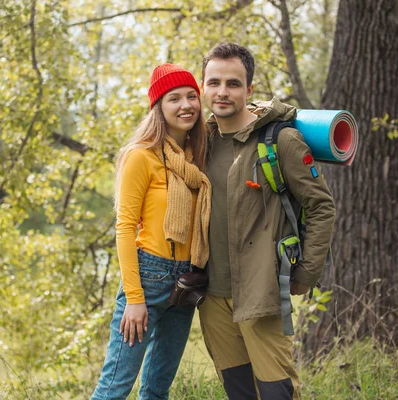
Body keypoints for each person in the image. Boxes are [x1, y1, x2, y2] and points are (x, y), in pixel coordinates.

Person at [198, 42, 336, 399]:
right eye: (214, 83)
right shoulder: (201, 142)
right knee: (239, 392)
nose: (222, 92)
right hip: (212, 296)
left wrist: (306, 273)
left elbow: (321, 206)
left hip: (262, 293)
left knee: (277, 392)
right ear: (203, 87)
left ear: (249, 89)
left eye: (233, 83)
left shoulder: (282, 141)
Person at [90, 63, 211, 400]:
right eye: (174, 98)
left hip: (188, 281)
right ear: (158, 107)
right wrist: (134, 299)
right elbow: (125, 228)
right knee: (115, 387)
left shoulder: (196, 157)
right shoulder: (139, 156)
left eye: (192, 96)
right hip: (148, 276)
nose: (186, 105)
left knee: (157, 390)